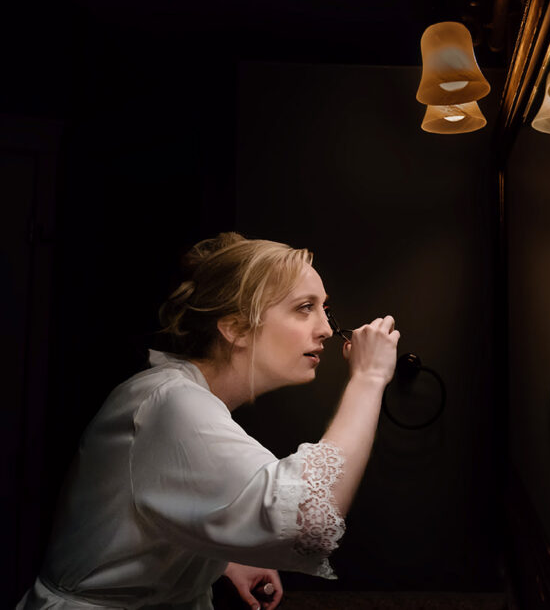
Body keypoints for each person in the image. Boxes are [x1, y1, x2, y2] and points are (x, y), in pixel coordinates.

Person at [18, 232, 400, 610]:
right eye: (304, 307)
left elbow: (160, 507)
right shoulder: (171, 403)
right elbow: (311, 519)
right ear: (234, 328)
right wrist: (368, 379)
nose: (327, 329)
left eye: (323, 308)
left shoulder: (184, 396)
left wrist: (220, 558)